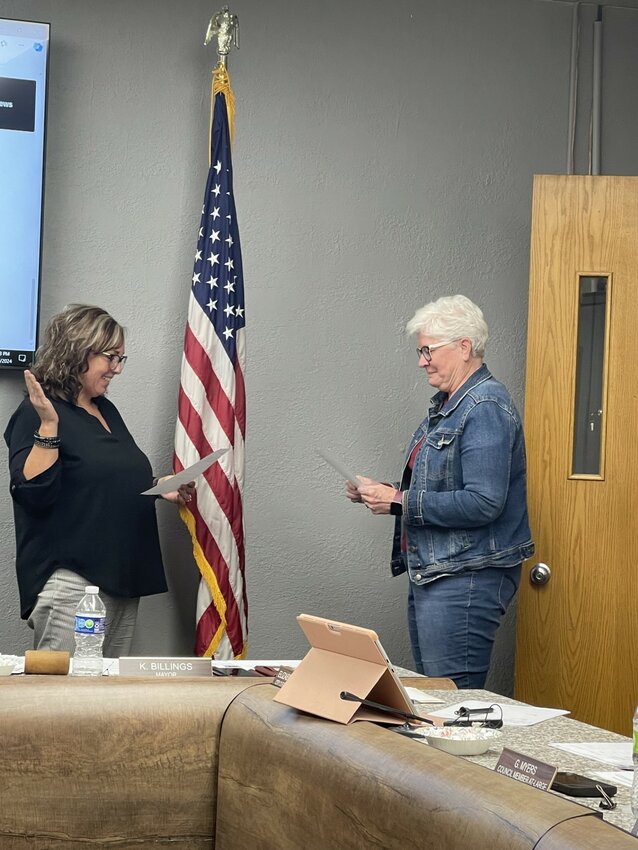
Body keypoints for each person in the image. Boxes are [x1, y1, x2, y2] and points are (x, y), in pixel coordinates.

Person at [346, 294, 534, 688]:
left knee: (453, 707)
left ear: (464, 346)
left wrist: (399, 501)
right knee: (439, 702)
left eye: (427, 349)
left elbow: (483, 503)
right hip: (441, 574)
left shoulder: (484, 406)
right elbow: (444, 487)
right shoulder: (451, 405)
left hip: (466, 577)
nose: (421, 360)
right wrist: (386, 493)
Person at [4, 304, 195, 657]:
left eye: (122, 358)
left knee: (105, 704)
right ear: (78, 350)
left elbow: (100, 478)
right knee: (67, 704)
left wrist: (159, 485)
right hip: (73, 582)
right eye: (111, 357)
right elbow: (32, 494)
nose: (118, 369)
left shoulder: (105, 409)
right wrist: (48, 427)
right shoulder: (39, 410)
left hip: (122, 576)